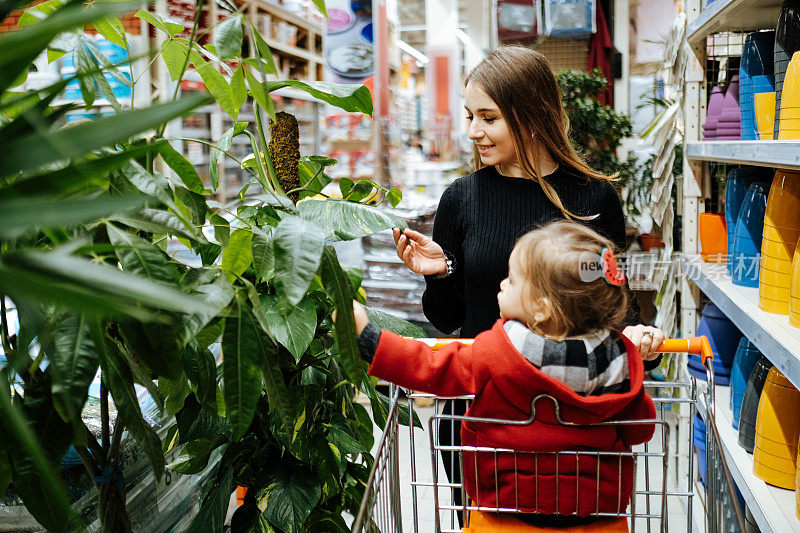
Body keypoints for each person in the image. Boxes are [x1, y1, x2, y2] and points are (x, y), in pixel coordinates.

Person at [391, 45, 665, 520]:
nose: (474, 131)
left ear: (531, 116)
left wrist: (641, 335)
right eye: (470, 116)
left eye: (488, 118)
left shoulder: (592, 197)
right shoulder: (462, 199)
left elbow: (611, 301)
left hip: (575, 421)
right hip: (483, 415)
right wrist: (442, 273)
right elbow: (448, 319)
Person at [351, 221, 656, 525]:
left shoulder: (497, 353)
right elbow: (640, 430)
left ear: (540, 309)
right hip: (596, 514)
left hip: (506, 509)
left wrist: (368, 337)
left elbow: (428, 367)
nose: (503, 284)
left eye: (512, 279)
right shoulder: (619, 364)